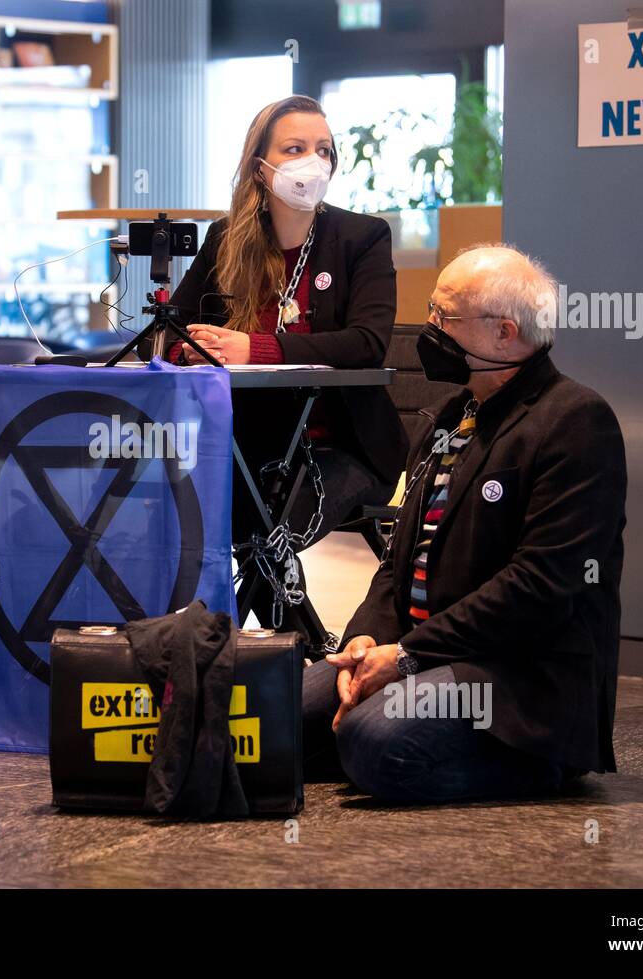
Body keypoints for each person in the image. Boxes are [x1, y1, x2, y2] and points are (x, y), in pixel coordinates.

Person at [303, 244, 627, 803]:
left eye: (444, 317)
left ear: (505, 333)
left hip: (518, 676)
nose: (429, 328)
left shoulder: (574, 421)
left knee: (372, 740)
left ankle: (544, 766)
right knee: (274, 707)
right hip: (424, 651)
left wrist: (406, 658)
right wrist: (366, 639)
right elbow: (398, 561)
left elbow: (538, 588)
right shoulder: (451, 418)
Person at [162, 95, 408, 632]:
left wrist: (257, 348)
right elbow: (173, 327)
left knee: (266, 535)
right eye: (294, 148)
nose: (311, 161)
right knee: (170, 515)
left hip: (342, 447)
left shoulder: (362, 238)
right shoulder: (227, 239)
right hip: (250, 446)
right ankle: (276, 660)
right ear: (260, 166)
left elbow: (367, 343)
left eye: (323, 150)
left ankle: (215, 656)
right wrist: (188, 345)